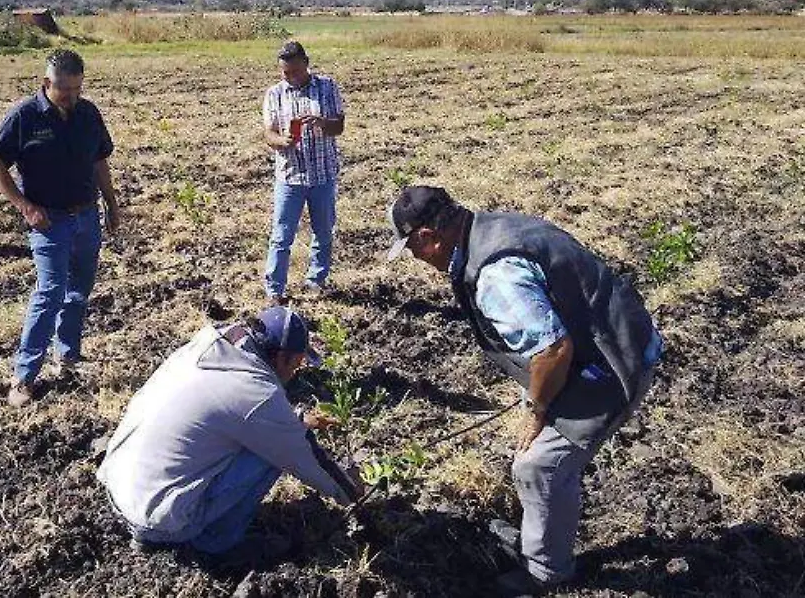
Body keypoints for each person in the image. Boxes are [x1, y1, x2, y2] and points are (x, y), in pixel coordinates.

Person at [385, 186, 664, 596]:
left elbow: (553, 350)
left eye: (412, 249)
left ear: (428, 237)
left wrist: (536, 409)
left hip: (615, 367)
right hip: (619, 339)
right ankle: (544, 530)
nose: (416, 260)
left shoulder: (496, 276)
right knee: (538, 455)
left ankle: (546, 573)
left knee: (538, 466)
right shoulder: (494, 227)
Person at [97, 307, 361, 564]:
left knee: (253, 436)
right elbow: (302, 456)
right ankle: (216, 545)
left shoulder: (204, 350)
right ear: (283, 358)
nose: (295, 373)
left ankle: (159, 526)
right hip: (160, 521)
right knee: (269, 453)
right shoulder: (258, 394)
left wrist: (297, 420)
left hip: (119, 488)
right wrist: (354, 493)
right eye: (298, 363)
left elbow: (232, 411)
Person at [0, 49, 121, 408]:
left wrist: (111, 203)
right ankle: (24, 375)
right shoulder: (25, 116)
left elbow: (99, 160)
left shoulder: (88, 114)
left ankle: (69, 357)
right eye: (65, 90)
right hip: (49, 222)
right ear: (47, 83)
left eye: (78, 89)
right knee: (50, 293)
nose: (72, 97)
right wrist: (24, 206)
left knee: (79, 291)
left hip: (87, 216)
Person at [262, 40, 345, 304]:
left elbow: (339, 126)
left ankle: (315, 280)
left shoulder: (327, 87)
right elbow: (268, 133)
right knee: (281, 236)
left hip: (323, 174)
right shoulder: (275, 94)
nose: (290, 78)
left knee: (323, 232)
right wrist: (281, 141)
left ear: (306, 65)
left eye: (295, 72)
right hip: (290, 176)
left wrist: (323, 123)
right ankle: (275, 290)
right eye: (285, 72)